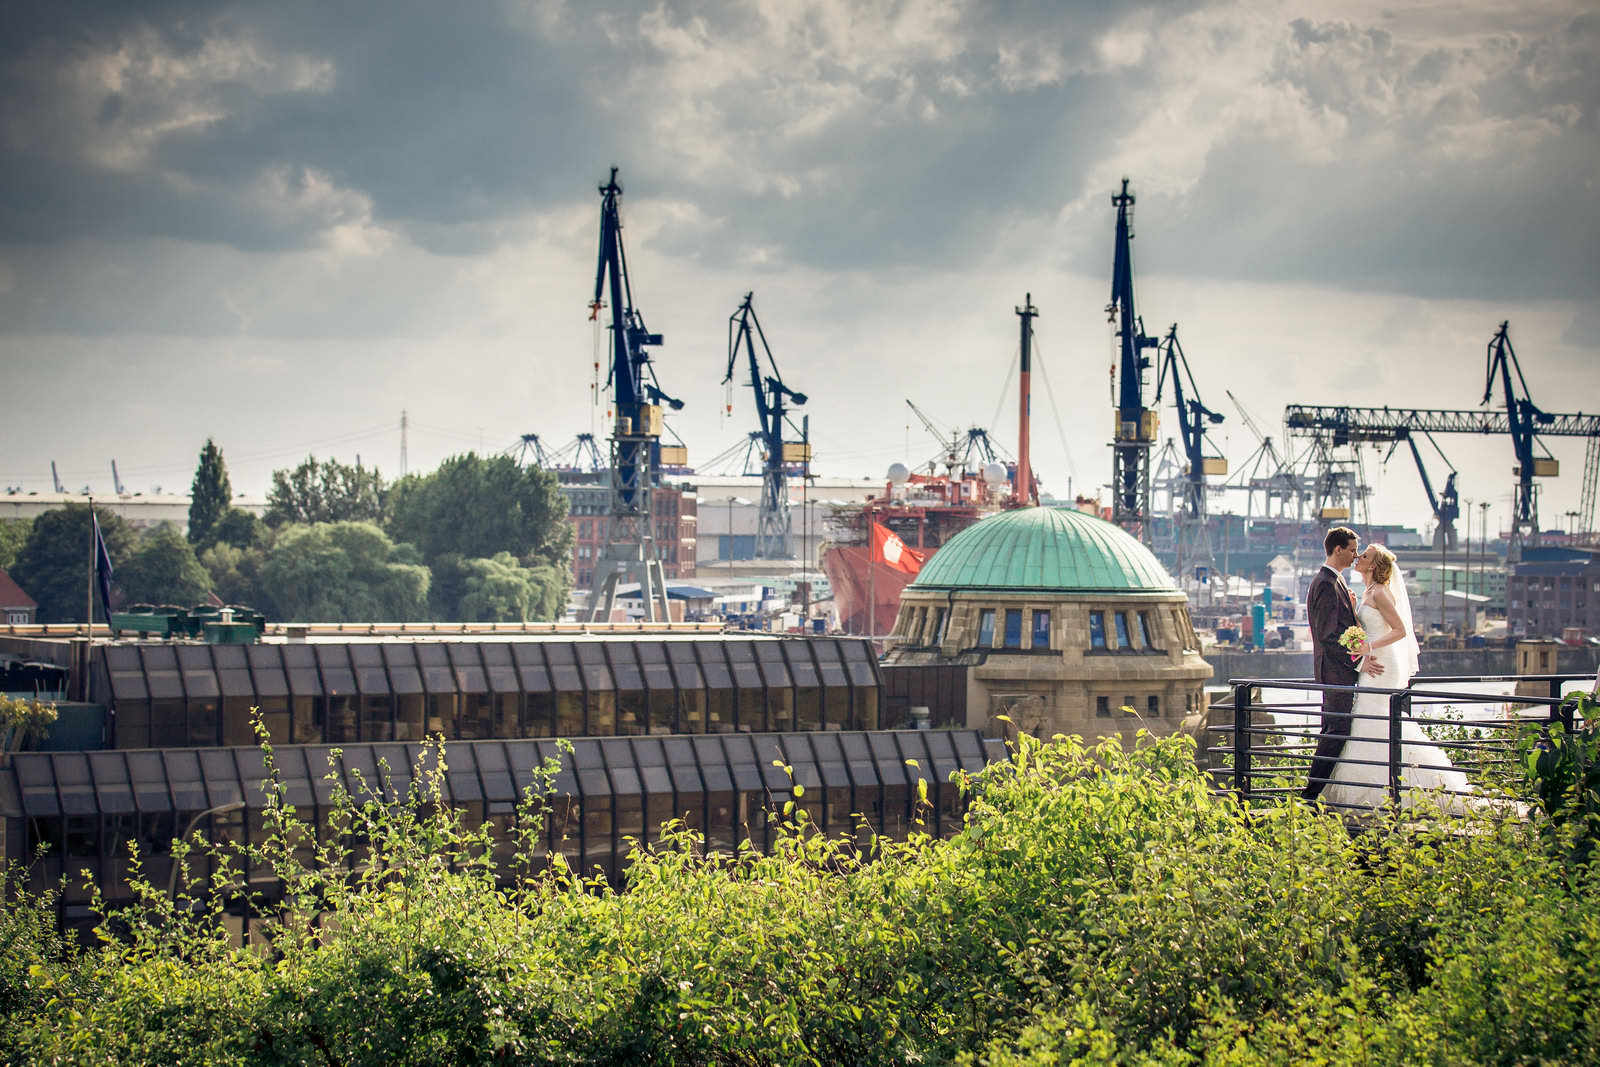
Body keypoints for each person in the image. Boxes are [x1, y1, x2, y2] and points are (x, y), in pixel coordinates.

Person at [1321, 544, 1476, 811]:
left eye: (1365, 555)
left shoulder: (1381, 593)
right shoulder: (1368, 592)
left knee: (1376, 717)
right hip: (1372, 661)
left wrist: (1369, 648)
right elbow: (1369, 627)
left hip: (1383, 664)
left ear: (1373, 565)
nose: (1359, 557)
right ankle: (1377, 787)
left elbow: (1401, 630)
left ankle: (1399, 788)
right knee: (1367, 719)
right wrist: (1357, 613)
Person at [1301, 527, 1365, 800]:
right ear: (1337, 549)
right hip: (1336, 671)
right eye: (1351, 550)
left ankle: (1315, 793)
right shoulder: (1327, 583)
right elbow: (1329, 636)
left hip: (1335, 671)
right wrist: (1357, 660)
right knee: (1335, 731)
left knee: (1333, 729)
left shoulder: (1333, 581)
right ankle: (1310, 794)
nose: (1355, 556)